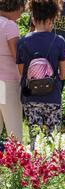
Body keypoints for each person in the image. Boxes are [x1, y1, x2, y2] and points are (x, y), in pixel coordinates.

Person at [16, 0, 65, 148]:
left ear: (33, 18)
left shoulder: (23, 41)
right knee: (53, 141)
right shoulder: (59, 41)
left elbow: (22, 72)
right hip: (53, 97)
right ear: (52, 19)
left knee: (35, 141)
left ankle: (35, 169)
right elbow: (63, 74)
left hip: (30, 97)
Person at [30, 0, 65, 76]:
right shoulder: (40, 5)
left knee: (59, 84)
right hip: (40, 56)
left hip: (61, 57)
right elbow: (32, 31)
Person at [0, 0, 25, 143]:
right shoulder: (9, 26)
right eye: (21, 11)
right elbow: (17, 56)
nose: (20, 16)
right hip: (9, 83)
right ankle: (16, 164)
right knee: (14, 132)